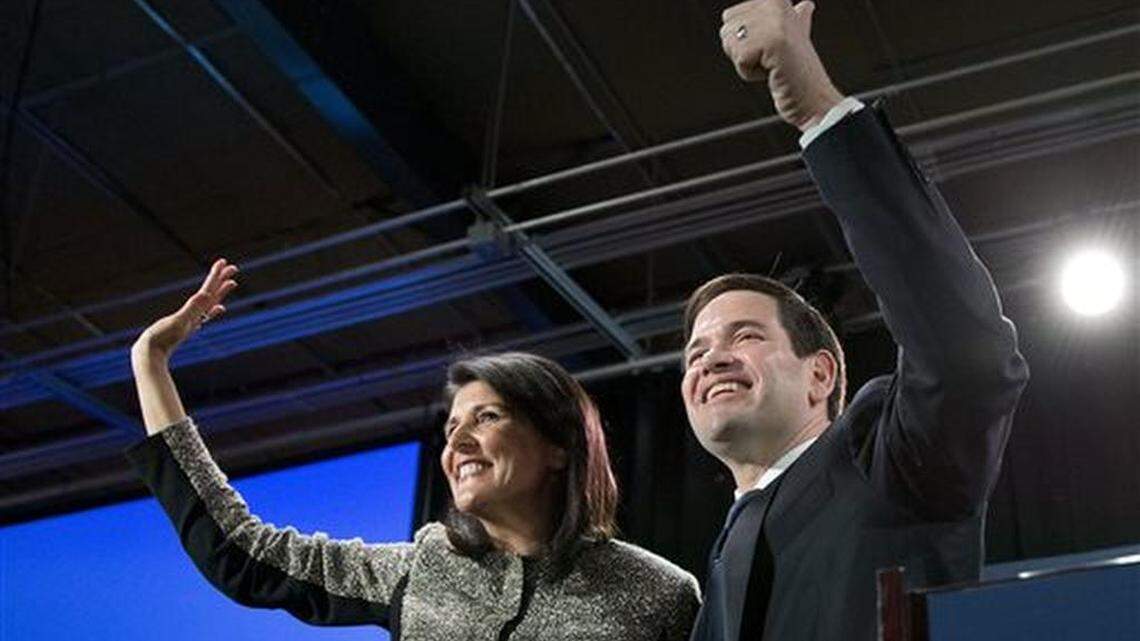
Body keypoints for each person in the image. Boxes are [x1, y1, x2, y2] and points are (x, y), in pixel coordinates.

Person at [684, 1, 1030, 640]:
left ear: (821, 374)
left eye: (746, 335)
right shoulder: (716, 576)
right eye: (696, 352)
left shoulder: (883, 458)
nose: (710, 358)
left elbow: (968, 357)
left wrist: (818, 110)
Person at [126, 259, 700, 639]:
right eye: (452, 428)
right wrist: (150, 364)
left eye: (488, 417)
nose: (458, 441)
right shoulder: (421, 567)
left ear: (558, 446)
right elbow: (244, 555)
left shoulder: (661, 595)